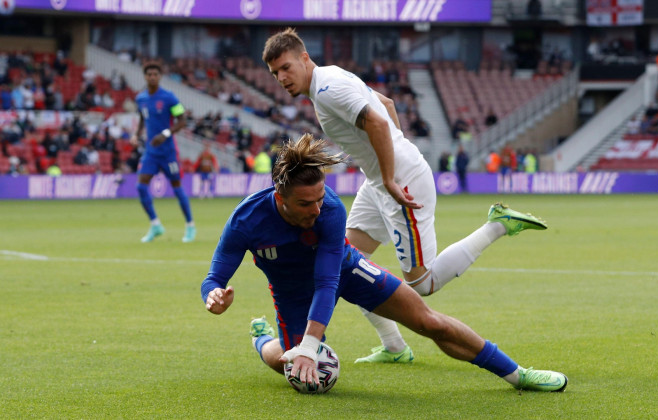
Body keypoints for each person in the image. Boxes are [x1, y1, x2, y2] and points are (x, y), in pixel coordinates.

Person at [263, 28, 549, 363]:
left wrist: (391, 173)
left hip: (398, 181)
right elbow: (386, 104)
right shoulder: (329, 79)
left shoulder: (326, 90)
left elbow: (379, 123)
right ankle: (395, 347)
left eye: (286, 67)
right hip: (383, 179)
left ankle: (497, 225)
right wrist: (393, 158)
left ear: (304, 58)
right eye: (275, 73)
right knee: (345, 262)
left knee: (423, 284)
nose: (282, 77)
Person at [200, 135, 567, 392]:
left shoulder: (329, 209)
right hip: (291, 291)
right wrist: (213, 296)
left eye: (320, 199)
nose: (317, 209)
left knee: (428, 321)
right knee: (286, 362)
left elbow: (328, 281)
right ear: (280, 197)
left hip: (345, 269)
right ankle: (262, 338)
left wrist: (312, 346)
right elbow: (214, 276)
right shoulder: (246, 220)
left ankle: (518, 375)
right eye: (305, 203)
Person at [131, 63, 196, 243]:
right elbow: (143, 118)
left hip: (168, 151)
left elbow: (182, 120)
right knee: (140, 186)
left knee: (177, 187)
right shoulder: (141, 98)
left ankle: (190, 226)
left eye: (155, 74)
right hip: (151, 152)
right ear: (145, 77)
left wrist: (165, 134)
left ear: (160, 76)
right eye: (149, 74)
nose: (152, 77)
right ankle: (155, 225)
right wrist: (136, 135)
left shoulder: (169, 98)